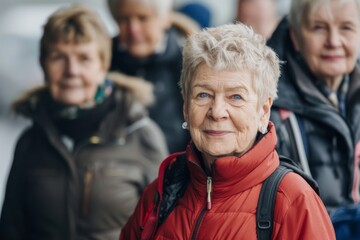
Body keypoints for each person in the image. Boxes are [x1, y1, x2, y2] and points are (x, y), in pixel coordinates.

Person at [119, 23, 336, 239]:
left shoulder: (294, 201)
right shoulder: (162, 191)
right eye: (203, 95)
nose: (217, 112)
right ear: (185, 107)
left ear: (263, 110)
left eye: (236, 97)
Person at [0, 5, 168, 240]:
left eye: (84, 58)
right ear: (44, 66)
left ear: (103, 66)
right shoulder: (31, 142)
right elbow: (11, 229)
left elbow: (165, 229)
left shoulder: (142, 137)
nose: (72, 70)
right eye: (58, 57)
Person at [268, 0, 360, 212]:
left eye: (346, 27)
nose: (333, 41)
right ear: (295, 36)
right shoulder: (267, 110)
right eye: (319, 27)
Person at [106, 0, 199, 154]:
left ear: (165, 19)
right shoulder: (99, 65)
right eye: (124, 19)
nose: (133, 29)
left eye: (143, 18)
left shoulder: (189, 63)